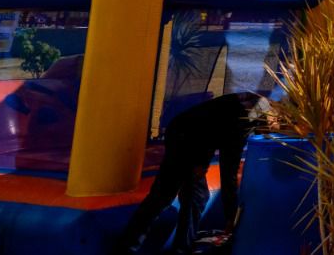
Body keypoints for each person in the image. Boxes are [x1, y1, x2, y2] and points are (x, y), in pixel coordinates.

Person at [111, 90, 270, 254]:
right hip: (188, 140)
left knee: (179, 196)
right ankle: (173, 248)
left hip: (182, 132)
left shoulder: (251, 104)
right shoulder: (243, 122)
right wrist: (230, 217)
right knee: (183, 195)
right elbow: (228, 170)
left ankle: (130, 246)